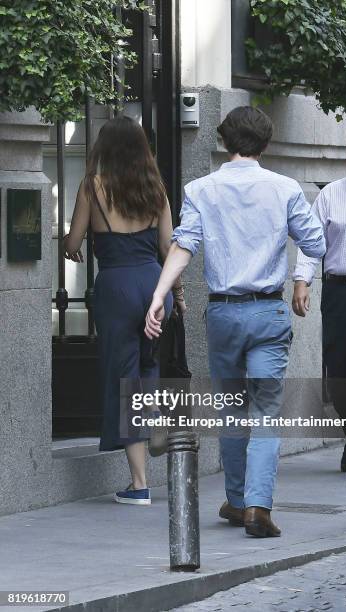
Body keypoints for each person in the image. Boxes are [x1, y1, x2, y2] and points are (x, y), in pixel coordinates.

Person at [145, 106, 326, 537]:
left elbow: (183, 244)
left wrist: (159, 294)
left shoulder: (200, 189)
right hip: (267, 311)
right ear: (265, 144)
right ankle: (258, 507)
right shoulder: (285, 188)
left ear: (224, 141)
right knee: (265, 409)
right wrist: (300, 277)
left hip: (224, 311)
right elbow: (315, 241)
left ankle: (238, 499)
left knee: (230, 408)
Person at [63, 116, 184, 505]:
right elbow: (169, 248)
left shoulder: (92, 188)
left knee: (123, 377)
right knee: (148, 365)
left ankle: (139, 484)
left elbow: (75, 239)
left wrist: (69, 244)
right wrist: (176, 294)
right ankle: (156, 419)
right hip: (154, 284)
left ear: (105, 148)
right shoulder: (156, 190)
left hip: (117, 287)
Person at [293, 125, 346, 473]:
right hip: (338, 293)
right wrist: (301, 281)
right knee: (338, 376)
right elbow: (311, 242)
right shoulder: (330, 195)